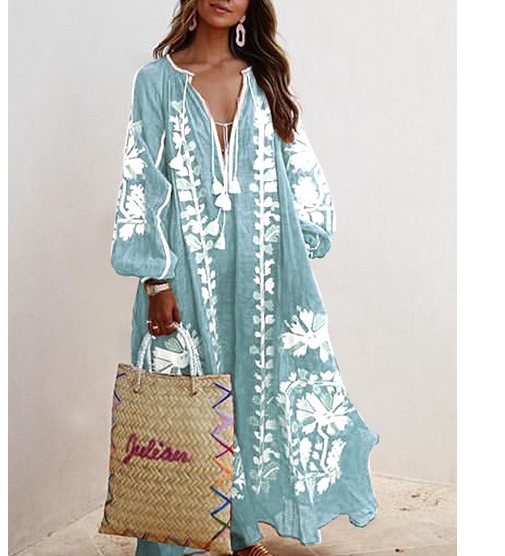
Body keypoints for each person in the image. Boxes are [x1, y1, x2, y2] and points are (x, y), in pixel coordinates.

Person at [110, 1, 380, 555]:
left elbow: (295, 159)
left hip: (259, 270)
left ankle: (242, 530)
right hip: (185, 267)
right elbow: (142, 176)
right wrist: (156, 280)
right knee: (183, 402)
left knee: (253, 396)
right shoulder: (156, 81)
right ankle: (173, 541)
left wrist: (305, 236)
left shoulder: (263, 78)